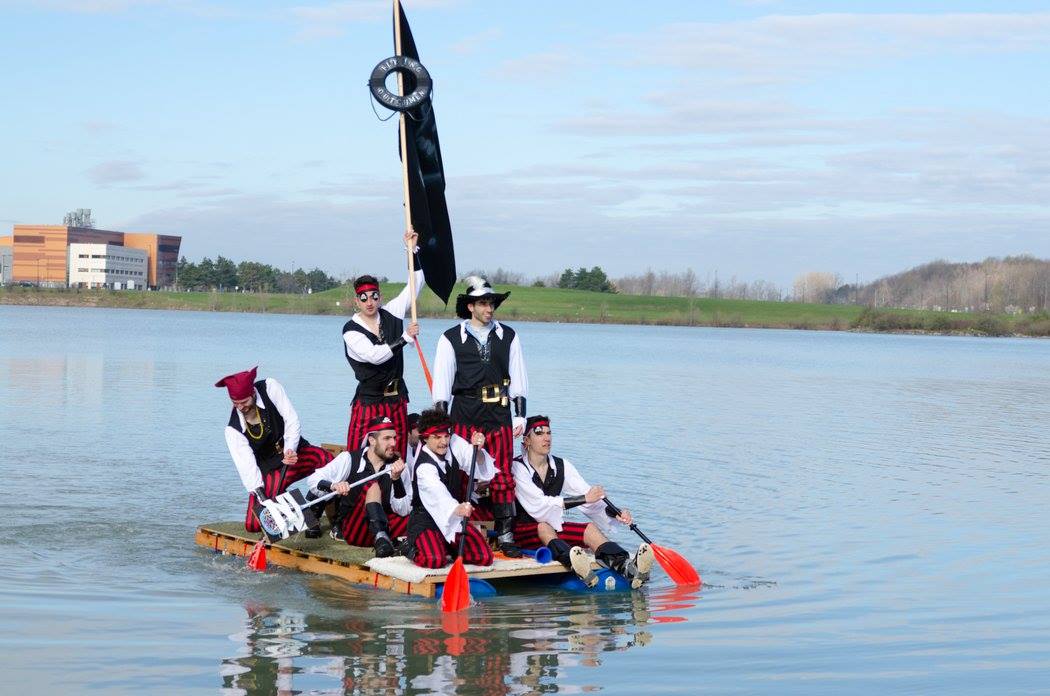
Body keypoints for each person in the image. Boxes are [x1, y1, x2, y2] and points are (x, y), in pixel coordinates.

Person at [432, 275, 528, 557]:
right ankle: (456, 530)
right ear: (471, 306)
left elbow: (518, 377)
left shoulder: (508, 335)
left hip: (499, 414)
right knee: (461, 474)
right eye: (484, 303)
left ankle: (507, 533)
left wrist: (520, 415)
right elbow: (441, 386)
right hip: (464, 413)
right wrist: (440, 427)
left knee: (502, 475)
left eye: (492, 303)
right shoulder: (450, 338)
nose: (489, 309)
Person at [512, 415, 654, 588]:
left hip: (553, 529)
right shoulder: (517, 467)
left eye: (549, 433)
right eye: (540, 433)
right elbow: (539, 506)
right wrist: (585, 498)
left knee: (590, 529)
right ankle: (575, 562)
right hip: (522, 531)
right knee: (543, 526)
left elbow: (589, 497)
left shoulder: (560, 465)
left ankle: (626, 566)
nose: (547, 438)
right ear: (526, 440)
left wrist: (616, 512)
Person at [217, 367, 333, 536]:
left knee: (328, 461)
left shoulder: (270, 388)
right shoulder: (233, 430)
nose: (241, 407)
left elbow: (291, 419)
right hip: (270, 470)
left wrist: (290, 449)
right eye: (236, 403)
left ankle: (314, 506)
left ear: (253, 393)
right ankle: (304, 515)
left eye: (244, 402)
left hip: (295, 454)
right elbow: (246, 465)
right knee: (254, 524)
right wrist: (262, 496)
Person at [342, 229, 423, 458]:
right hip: (369, 401)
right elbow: (375, 355)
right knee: (359, 454)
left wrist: (412, 251)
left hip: (396, 398)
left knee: (397, 454)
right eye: (364, 298)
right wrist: (405, 338)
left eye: (374, 296)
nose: (370, 302)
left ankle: (398, 492)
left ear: (380, 296)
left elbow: (416, 284)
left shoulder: (391, 313)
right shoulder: (350, 330)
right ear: (357, 300)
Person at [304, 416, 409, 556]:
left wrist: (396, 480)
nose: (393, 443)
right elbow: (313, 480)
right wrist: (334, 486)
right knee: (373, 486)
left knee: (419, 514)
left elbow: (403, 510)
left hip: (385, 523)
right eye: (387, 438)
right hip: (355, 528)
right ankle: (384, 539)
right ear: (372, 440)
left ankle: (384, 539)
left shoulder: (400, 466)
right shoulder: (349, 458)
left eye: (394, 438)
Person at [405, 408, 497, 569]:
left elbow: (477, 464)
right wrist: (457, 508)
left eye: (446, 436)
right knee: (434, 560)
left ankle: (446, 546)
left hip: (452, 519)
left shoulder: (454, 443)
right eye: (437, 437)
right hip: (426, 521)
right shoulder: (424, 467)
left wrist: (479, 449)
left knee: (484, 557)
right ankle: (409, 548)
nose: (444, 442)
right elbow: (437, 493)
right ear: (425, 438)